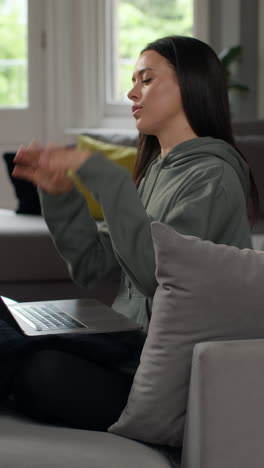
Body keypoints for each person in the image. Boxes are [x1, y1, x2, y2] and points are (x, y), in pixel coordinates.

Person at [3, 35, 259, 431]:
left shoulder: (214, 176)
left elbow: (156, 275)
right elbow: (93, 267)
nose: (131, 92)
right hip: (121, 347)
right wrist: (61, 196)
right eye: (134, 80)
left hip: (153, 378)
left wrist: (103, 173)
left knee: (42, 368)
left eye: (146, 79)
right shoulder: (158, 171)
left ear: (189, 85)